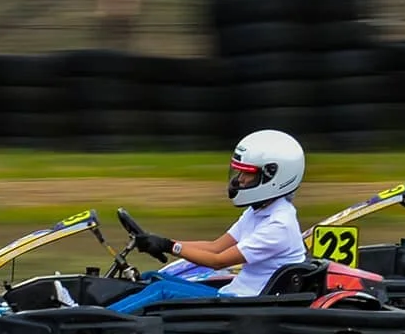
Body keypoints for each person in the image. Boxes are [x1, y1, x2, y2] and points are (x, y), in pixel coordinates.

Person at [130, 128, 308, 299]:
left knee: (161, 289)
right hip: (234, 292)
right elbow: (215, 247)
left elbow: (218, 261)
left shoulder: (279, 225)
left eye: (247, 174)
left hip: (245, 303)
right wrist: (161, 243)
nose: (239, 180)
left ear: (272, 176)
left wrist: (170, 247)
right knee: (151, 277)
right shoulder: (259, 212)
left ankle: (105, 323)